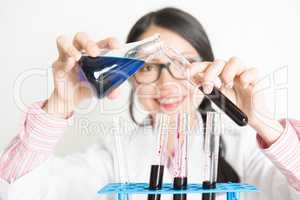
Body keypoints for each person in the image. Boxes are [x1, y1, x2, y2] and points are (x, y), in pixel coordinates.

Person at [0, 7, 299, 200]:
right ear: (129, 77)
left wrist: (266, 123)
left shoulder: (243, 150)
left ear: (208, 68)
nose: (166, 83)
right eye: (147, 67)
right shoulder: (111, 158)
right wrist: (59, 103)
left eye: (182, 64)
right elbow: (19, 190)